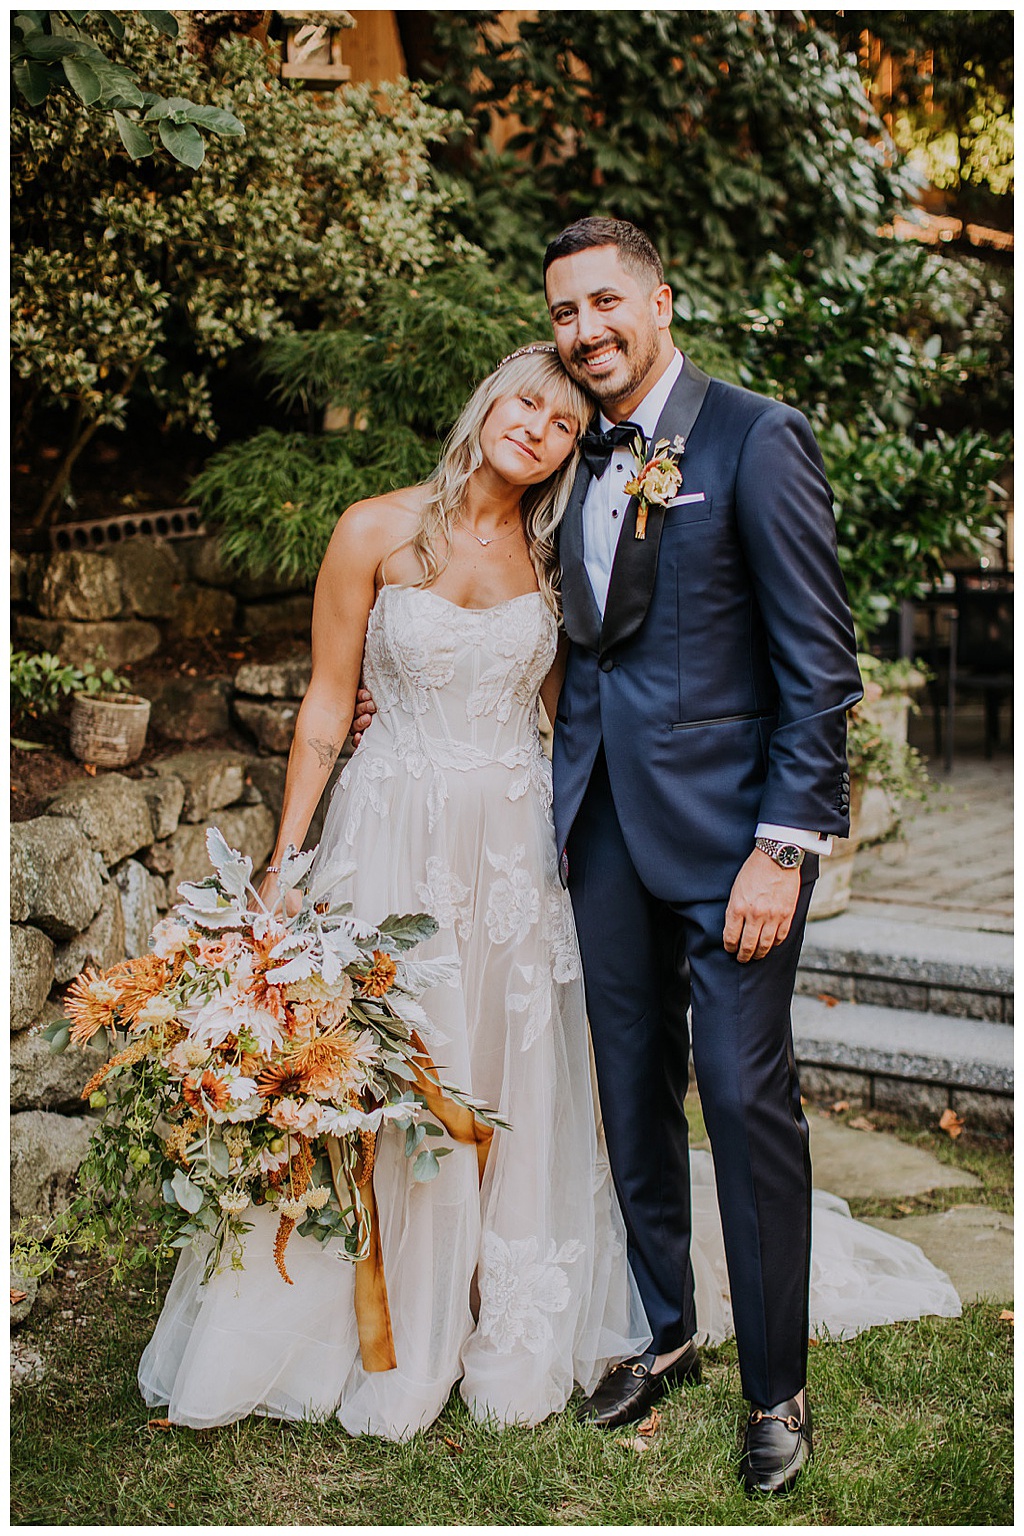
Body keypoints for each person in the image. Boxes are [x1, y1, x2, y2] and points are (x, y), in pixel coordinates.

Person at [137, 344, 653, 1438]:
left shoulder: (556, 560)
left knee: (502, 1065)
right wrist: (285, 862)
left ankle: (493, 1310)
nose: (539, 429)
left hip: (510, 850)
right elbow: (328, 705)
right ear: (489, 400)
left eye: (565, 424)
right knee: (382, 1062)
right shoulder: (374, 528)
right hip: (386, 833)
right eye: (527, 401)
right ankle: (361, 1317)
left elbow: (573, 721)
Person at [541, 215, 865, 1493]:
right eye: (566, 313)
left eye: (606, 303)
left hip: (736, 841)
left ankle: (774, 1388)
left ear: (661, 300)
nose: (586, 333)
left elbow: (817, 667)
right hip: (603, 832)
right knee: (629, 1089)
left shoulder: (753, 435)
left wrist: (783, 849)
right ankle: (666, 1329)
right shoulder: (572, 449)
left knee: (738, 1094)